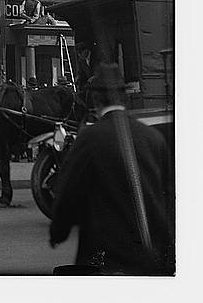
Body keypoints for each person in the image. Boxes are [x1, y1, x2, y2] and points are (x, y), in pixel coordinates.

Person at [49, 63, 174, 275]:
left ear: (96, 100)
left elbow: (69, 192)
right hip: (150, 256)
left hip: (105, 257)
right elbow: (169, 197)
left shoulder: (90, 137)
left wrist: (58, 232)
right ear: (124, 98)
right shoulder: (153, 138)